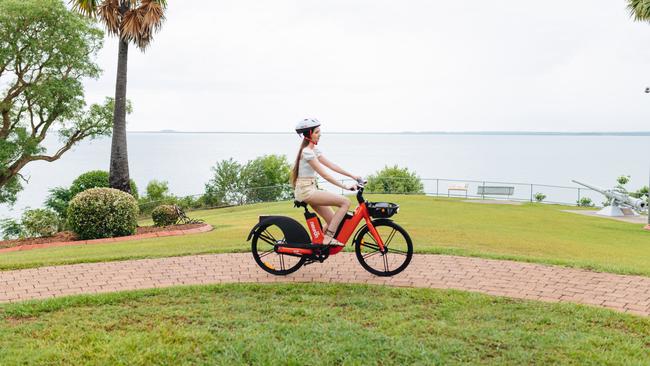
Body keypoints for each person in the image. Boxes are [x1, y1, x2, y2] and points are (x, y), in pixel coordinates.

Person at [291, 118, 362, 246]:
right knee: (345, 202)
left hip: (310, 190)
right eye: (317, 132)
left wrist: (354, 176)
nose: (320, 135)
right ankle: (327, 238)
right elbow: (325, 175)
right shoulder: (307, 152)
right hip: (306, 192)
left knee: (333, 221)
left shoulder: (313, 151)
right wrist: (345, 187)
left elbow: (331, 165)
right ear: (309, 134)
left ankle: (316, 247)